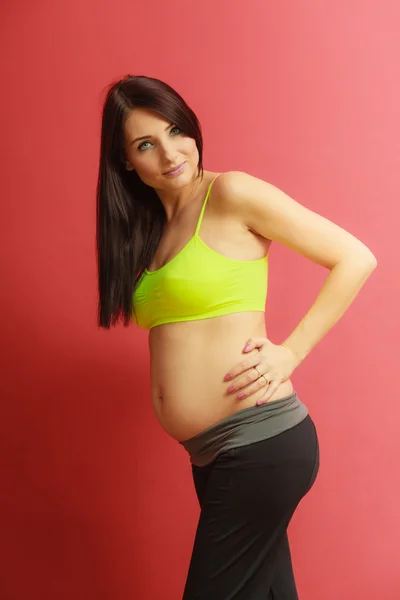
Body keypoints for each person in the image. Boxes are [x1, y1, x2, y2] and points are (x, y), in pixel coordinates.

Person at [96, 74, 377, 599]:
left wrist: (291, 352)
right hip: (212, 455)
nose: (171, 152)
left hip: (260, 444)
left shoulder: (229, 193)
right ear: (126, 163)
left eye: (176, 130)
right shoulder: (151, 231)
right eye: (145, 144)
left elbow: (355, 258)